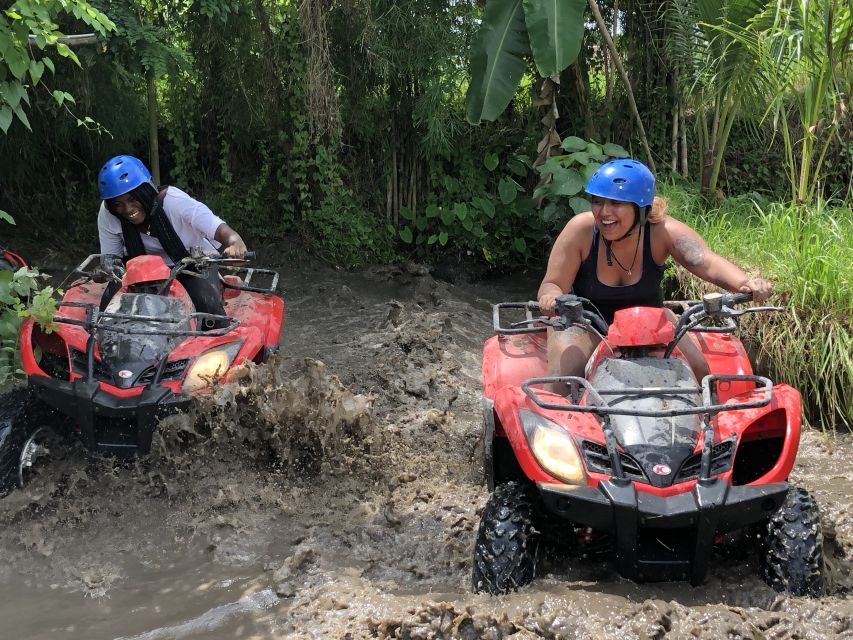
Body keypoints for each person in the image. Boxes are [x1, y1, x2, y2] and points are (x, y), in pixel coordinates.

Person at [537, 158, 772, 385]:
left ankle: (707, 423)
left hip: (652, 324)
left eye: (616, 203)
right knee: (564, 379)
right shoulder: (581, 230)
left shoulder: (662, 232)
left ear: (641, 209)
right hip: (587, 323)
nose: (603, 212)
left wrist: (746, 282)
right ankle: (553, 423)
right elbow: (552, 284)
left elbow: (705, 261)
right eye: (598, 201)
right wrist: (551, 297)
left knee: (699, 369)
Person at [96, 155, 247, 320]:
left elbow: (221, 230)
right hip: (142, 271)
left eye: (133, 199)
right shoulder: (109, 214)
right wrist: (107, 269)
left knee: (208, 312)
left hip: (191, 265)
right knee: (106, 310)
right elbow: (112, 259)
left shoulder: (174, 202)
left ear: (145, 191)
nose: (127, 209)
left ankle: (219, 339)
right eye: (118, 204)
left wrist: (235, 244)